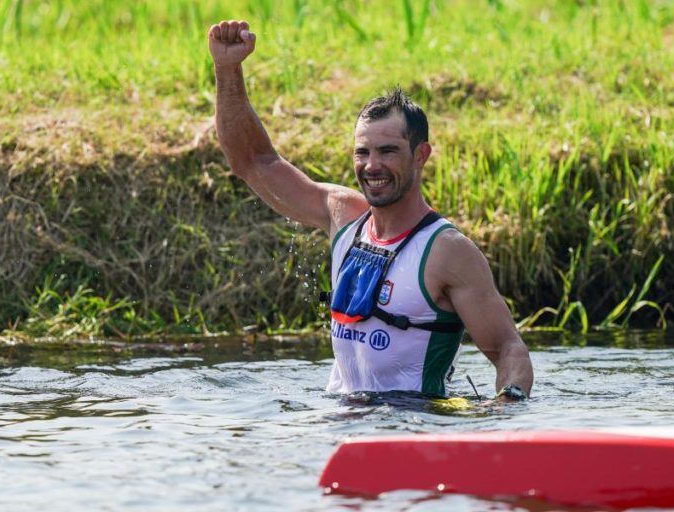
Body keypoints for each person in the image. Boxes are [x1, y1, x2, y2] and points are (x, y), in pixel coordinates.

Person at [208, 20, 533, 400]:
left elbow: (509, 349)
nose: (371, 166)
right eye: (362, 152)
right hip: (340, 420)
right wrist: (228, 70)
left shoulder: (448, 252)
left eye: (388, 151)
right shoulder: (342, 216)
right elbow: (253, 162)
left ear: (420, 155)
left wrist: (507, 408)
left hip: (413, 426)